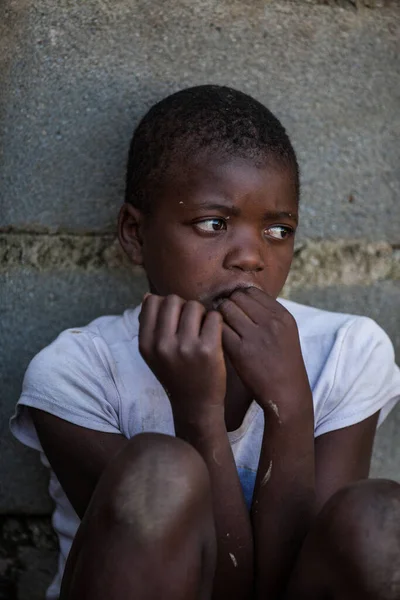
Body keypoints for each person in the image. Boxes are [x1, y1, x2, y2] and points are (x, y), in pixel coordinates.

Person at [10, 85, 400, 600]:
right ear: (134, 234)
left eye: (278, 230)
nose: (250, 257)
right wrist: (198, 413)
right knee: (161, 469)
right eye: (214, 223)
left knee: (379, 517)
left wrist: (289, 403)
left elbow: (294, 577)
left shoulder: (347, 351)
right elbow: (224, 586)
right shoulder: (78, 373)